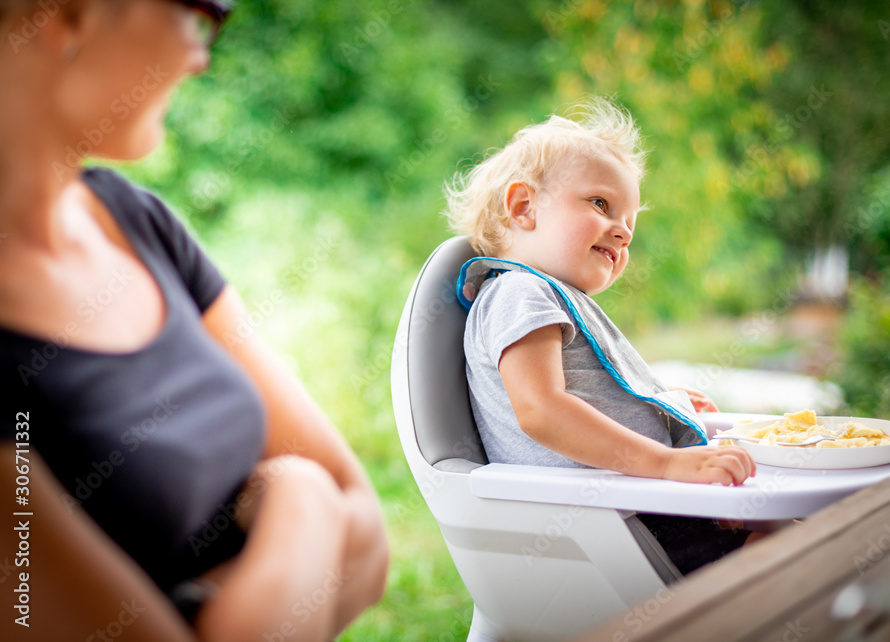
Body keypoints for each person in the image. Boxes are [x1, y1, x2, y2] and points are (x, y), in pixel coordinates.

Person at [0, 1, 388, 640]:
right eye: (201, 11)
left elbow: (368, 540)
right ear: (64, 15)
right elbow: (332, 501)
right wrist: (301, 497)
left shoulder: (136, 223)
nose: (200, 54)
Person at [446, 98, 761, 575]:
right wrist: (667, 463)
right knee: (798, 548)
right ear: (524, 206)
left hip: (634, 511)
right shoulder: (519, 292)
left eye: (630, 224)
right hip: (610, 528)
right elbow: (541, 411)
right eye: (601, 204)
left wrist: (662, 405)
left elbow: (588, 395)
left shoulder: (548, 295)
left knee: (800, 533)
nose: (624, 233)